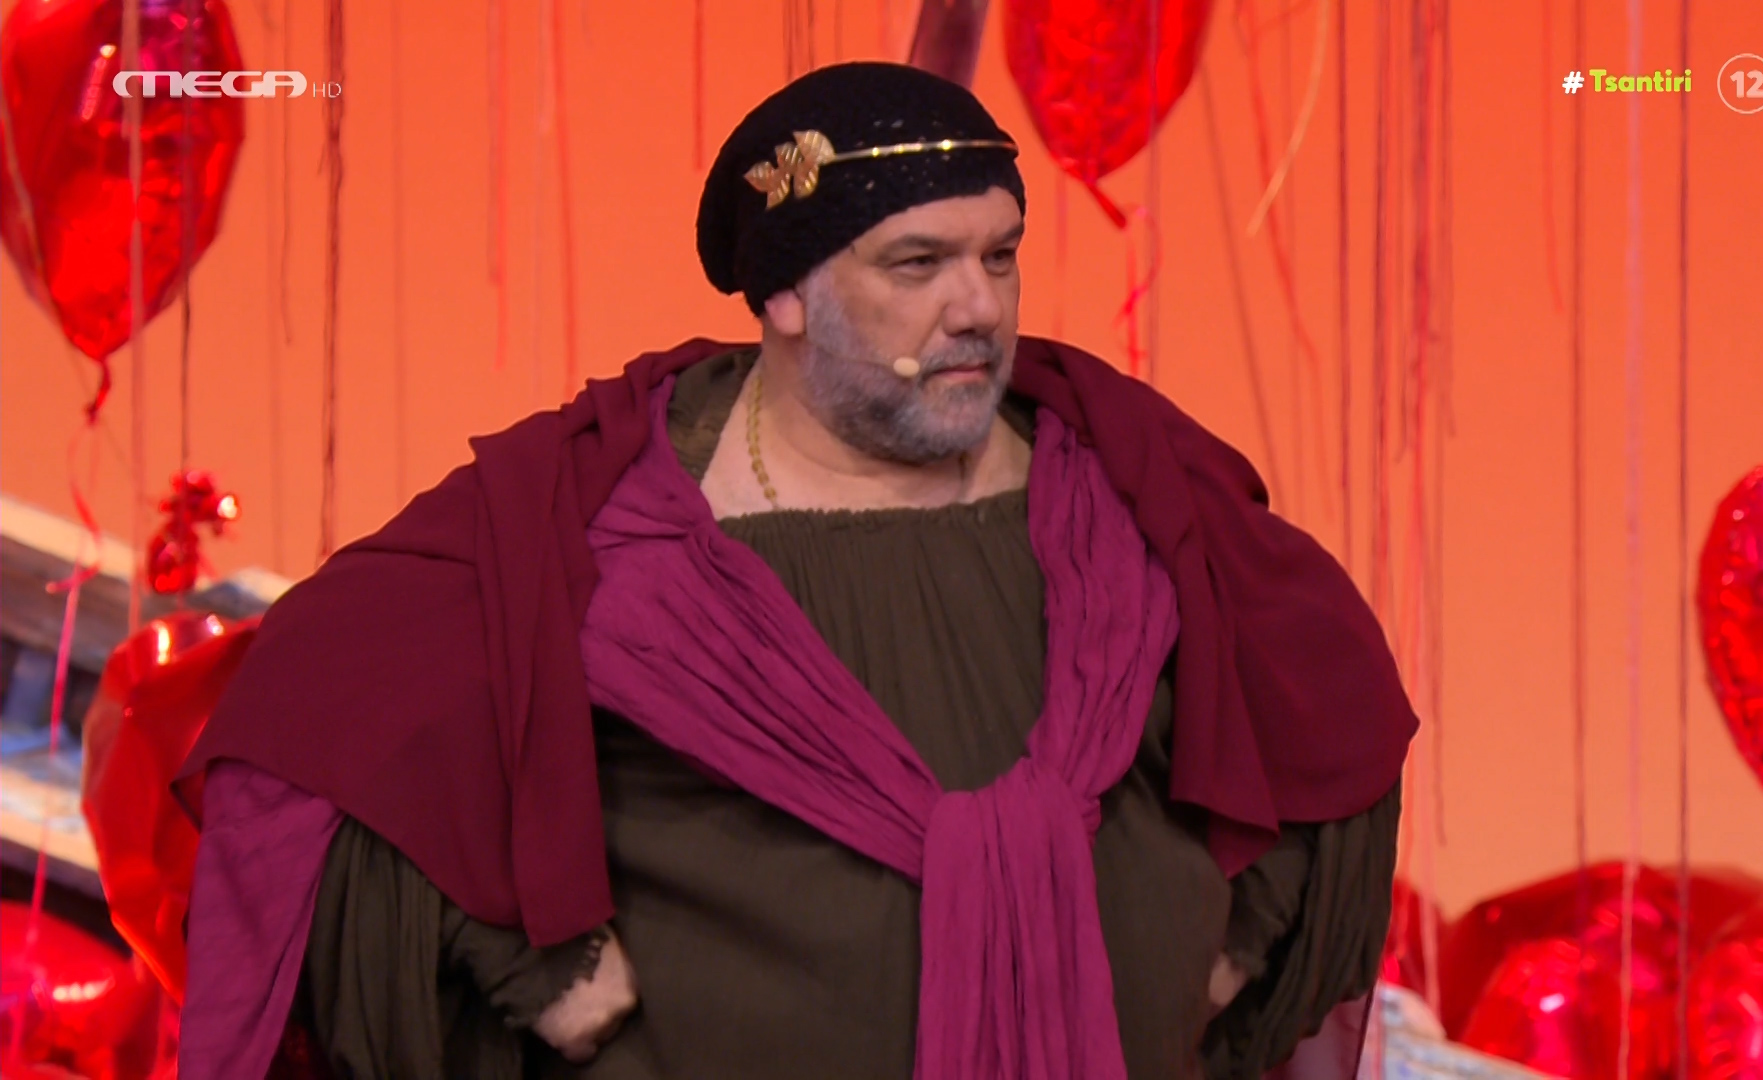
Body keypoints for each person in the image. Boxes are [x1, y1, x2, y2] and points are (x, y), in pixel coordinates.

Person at [175, 61, 1416, 1080]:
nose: (978, 308)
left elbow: (1326, 693)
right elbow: (316, 719)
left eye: (999, 256)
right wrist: (531, 962)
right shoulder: (602, 508)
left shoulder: (1122, 483)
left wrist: (1236, 932)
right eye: (919, 265)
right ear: (785, 294)